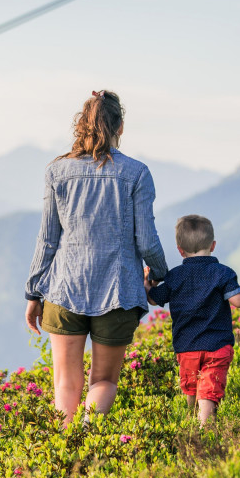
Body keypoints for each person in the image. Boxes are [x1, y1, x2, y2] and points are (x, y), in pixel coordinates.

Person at [24, 89, 169, 427]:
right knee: (103, 382)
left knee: (65, 383)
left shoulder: (56, 172)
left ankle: (65, 447)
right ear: (120, 126)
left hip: (63, 290)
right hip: (117, 294)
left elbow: (47, 240)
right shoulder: (137, 173)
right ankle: (89, 437)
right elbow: (146, 240)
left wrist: (33, 292)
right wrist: (159, 274)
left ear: (82, 126)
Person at [144, 214, 240, 424]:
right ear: (213, 245)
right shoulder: (222, 273)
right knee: (209, 389)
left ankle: (192, 422)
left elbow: (154, 299)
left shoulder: (175, 276)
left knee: (191, 387)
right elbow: (238, 301)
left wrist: (148, 284)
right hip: (217, 346)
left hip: (186, 347)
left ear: (180, 250)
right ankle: (205, 428)